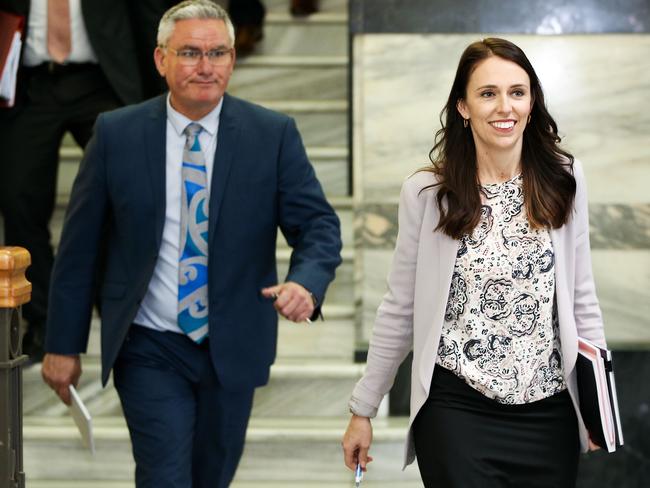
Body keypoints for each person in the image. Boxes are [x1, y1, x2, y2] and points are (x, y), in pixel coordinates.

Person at [40, 1, 342, 487]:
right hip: (149, 344)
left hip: (235, 343)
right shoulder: (117, 134)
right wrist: (62, 346)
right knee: (164, 477)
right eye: (190, 53)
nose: (206, 66)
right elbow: (78, 250)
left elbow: (319, 227)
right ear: (161, 60)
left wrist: (306, 283)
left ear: (232, 60)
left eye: (218, 52)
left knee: (211, 477)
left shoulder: (272, 135)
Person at [342, 37, 607, 487]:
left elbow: (582, 297)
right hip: (456, 411)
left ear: (532, 101)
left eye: (517, 92)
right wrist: (363, 409)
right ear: (463, 106)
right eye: (488, 93)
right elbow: (400, 308)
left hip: (549, 414)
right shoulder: (429, 193)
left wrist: (599, 404)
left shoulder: (564, 178)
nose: (505, 107)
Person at [0, 0, 171, 363]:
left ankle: (113, 299)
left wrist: (158, 95)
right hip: (29, 86)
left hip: (101, 81)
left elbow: (147, 15)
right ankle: (45, 318)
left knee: (126, 193)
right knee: (18, 200)